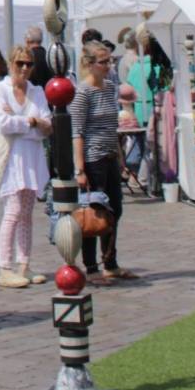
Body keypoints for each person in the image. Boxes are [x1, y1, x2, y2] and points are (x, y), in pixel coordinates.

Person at [69, 43, 136, 284]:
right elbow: (77, 132)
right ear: (89, 64)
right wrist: (80, 169)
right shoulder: (82, 93)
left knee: (114, 210)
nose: (108, 66)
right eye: (103, 62)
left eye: (109, 61)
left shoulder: (109, 88)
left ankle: (110, 262)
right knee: (93, 214)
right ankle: (92, 267)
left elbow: (112, 127)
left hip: (109, 155)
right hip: (92, 158)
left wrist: (120, 157)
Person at [0, 44, 50, 288]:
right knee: (12, 212)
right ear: (11, 63)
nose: (24, 68)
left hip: (32, 156)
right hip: (11, 158)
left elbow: (47, 124)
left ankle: (24, 263)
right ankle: (5, 266)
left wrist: (29, 122)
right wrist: (32, 123)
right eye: (19, 63)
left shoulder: (37, 91)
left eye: (29, 64)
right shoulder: (0, 89)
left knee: (27, 214)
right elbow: (3, 123)